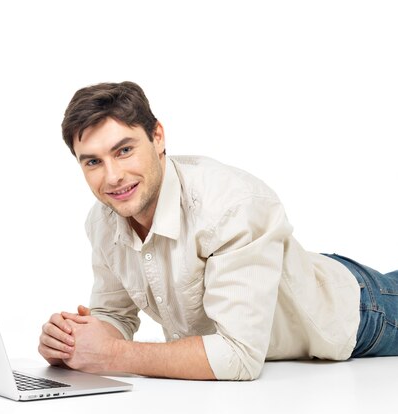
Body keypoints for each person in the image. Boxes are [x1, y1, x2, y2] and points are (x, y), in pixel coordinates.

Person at [38, 81, 398, 381]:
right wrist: (72, 342)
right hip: (289, 273)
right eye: (93, 161)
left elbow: (239, 356)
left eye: (125, 150)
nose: (112, 176)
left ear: (158, 137)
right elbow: (114, 316)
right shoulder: (103, 221)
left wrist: (113, 355)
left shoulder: (231, 205)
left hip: (359, 311)